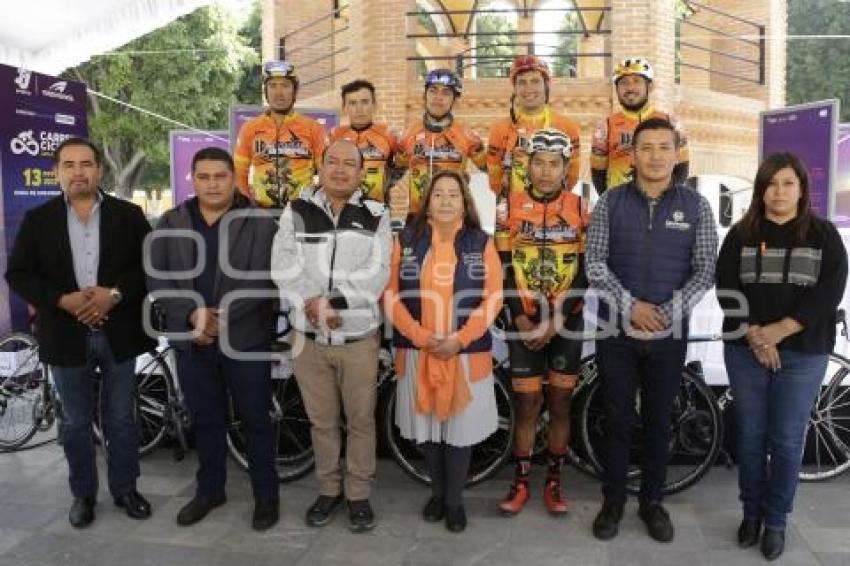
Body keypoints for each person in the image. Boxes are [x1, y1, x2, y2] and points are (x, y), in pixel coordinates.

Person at [5, 137, 155, 528]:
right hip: (65, 334)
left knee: (121, 417)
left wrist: (115, 294)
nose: (78, 172)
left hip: (118, 332)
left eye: (86, 164)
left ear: (99, 170)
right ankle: (83, 494)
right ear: (57, 172)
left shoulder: (129, 214)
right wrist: (62, 300)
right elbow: (18, 273)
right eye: (68, 165)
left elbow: (149, 267)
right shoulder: (38, 220)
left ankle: (125, 489)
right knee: (74, 422)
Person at [586, 118, 717, 542]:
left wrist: (665, 312)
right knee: (618, 418)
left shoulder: (696, 206)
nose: (656, 156)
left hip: (668, 333)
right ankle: (613, 502)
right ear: (633, 154)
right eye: (647, 147)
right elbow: (596, 264)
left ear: (676, 153)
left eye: (664, 147)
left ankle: (652, 503)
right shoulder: (609, 202)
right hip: (616, 332)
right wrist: (631, 308)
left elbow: (704, 270)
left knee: (660, 420)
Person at [715, 153, 847, 561]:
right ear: (760, 189)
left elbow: (829, 292)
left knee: (788, 442)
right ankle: (751, 514)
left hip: (804, 353)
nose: (779, 192)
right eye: (772, 184)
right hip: (744, 350)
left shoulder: (824, 235)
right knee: (751, 439)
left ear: (802, 188)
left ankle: (776, 522)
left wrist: (778, 331)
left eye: (788, 183)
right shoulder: (740, 234)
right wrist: (756, 334)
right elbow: (726, 286)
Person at [146, 147, 280, 530]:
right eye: (203, 177)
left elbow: (264, 278)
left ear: (233, 177)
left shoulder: (258, 222)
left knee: (256, 419)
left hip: (245, 339)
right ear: (192, 179)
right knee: (205, 419)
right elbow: (158, 276)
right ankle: (210, 490)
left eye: (219, 176)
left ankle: (266, 496)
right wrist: (192, 314)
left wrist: (216, 319)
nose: (212, 184)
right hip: (191, 340)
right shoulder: (172, 221)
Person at [272, 139, 391, 532]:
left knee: (360, 421)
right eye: (333, 162)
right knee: (320, 422)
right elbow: (282, 263)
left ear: (361, 172)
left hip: (358, 339)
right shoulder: (296, 210)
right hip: (308, 339)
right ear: (319, 167)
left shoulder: (377, 213)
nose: (340, 170)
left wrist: (333, 303)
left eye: (349, 164)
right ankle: (328, 490)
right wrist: (312, 301)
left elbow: (378, 272)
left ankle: (358, 495)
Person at [384, 169, 503, 533]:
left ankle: (454, 501)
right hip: (418, 351)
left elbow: (493, 298)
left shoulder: (481, 242)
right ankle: (437, 493)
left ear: (465, 202)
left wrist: (460, 339)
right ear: (427, 202)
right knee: (428, 431)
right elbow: (388, 295)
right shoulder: (406, 240)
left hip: (465, 354)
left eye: (454, 194)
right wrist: (420, 336)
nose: (446, 200)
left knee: (459, 432)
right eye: (439, 194)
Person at [497, 128, 589, 517]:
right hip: (523, 320)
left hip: (566, 323)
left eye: (554, 164)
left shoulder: (582, 208)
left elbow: (586, 272)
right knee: (528, 404)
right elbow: (502, 268)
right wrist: (520, 318)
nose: (546, 172)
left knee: (560, 403)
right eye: (539, 163)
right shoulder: (508, 207)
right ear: (527, 166)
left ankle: (553, 482)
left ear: (567, 168)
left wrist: (556, 321)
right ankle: (520, 481)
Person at [487, 55, 582, 254]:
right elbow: (496, 182)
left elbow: (571, 177)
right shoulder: (500, 129)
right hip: (514, 220)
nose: (528, 88)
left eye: (535, 81)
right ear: (514, 88)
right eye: (521, 82)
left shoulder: (567, 127)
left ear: (546, 85)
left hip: (556, 218)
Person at [392, 68, 486, 230]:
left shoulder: (468, 136)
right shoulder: (408, 135)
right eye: (433, 91)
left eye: (446, 93)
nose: (438, 97)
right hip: (417, 217)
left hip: (454, 215)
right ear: (424, 96)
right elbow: (391, 176)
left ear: (455, 100)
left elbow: (495, 173)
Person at [234, 60, 327, 208]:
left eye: (285, 85)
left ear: (294, 91)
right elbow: (239, 174)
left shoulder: (313, 128)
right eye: (272, 86)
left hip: (302, 213)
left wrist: (314, 205)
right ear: (266, 91)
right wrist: (248, 207)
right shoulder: (249, 128)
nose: (279, 92)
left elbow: (326, 173)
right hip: (261, 214)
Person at [590, 57, 689, 195]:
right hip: (620, 205)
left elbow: (682, 167)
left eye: (636, 81)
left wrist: (669, 199)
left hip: (661, 204)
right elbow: (598, 173)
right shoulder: (605, 127)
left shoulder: (671, 123)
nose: (630, 88)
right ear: (617, 89)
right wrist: (611, 203)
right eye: (623, 83)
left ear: (650, 86)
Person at [331, 79, 398, 204]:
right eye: (352, 103)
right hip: (341, 208)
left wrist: (387, 185)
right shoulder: (334, 136)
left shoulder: (388, 135)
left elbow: (402, 166)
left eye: (365, 102)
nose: (359, 109)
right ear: (344, 108)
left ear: (374, 105)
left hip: (376, 211)